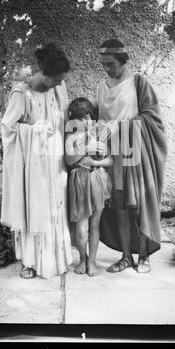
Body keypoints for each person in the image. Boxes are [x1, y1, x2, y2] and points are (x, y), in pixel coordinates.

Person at [91, 38, 167, 273]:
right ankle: (125, 257)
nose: (106, 68)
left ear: (122, 60)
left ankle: (144, 256)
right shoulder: (102, 87)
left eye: (110, 63)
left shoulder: (138, 83)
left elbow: (152, 117)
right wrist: (96, 130)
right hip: (112, 155)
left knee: (139, 205)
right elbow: (95, 117)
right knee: (120, 207)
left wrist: (119, 127)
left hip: (136, 151)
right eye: (102, 63)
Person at [0, 43, 73, 279]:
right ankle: (29, 262)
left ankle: (57, 259)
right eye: (57, 79)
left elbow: (64, 121)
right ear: (44, 73)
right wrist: (35, 131)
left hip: (55, 161)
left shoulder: (59, 90)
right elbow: (8, 129)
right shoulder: (22, 94)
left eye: (62, 80)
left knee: (55, 207)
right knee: (34, 208)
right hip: (32, 166)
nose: (60, 84)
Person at [65, 98, 113, 276]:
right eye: (81, 118)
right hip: (79, 181)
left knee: (94, 225)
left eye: (88, 117)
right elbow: (69, 160)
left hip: (97, 179)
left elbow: (110, 160)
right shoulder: (71, 136)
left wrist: (93, 160)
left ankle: (92, 261)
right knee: (81, 228)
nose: (86, 122)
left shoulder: (100, 134)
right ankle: (82, 259)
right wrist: (86, 146)